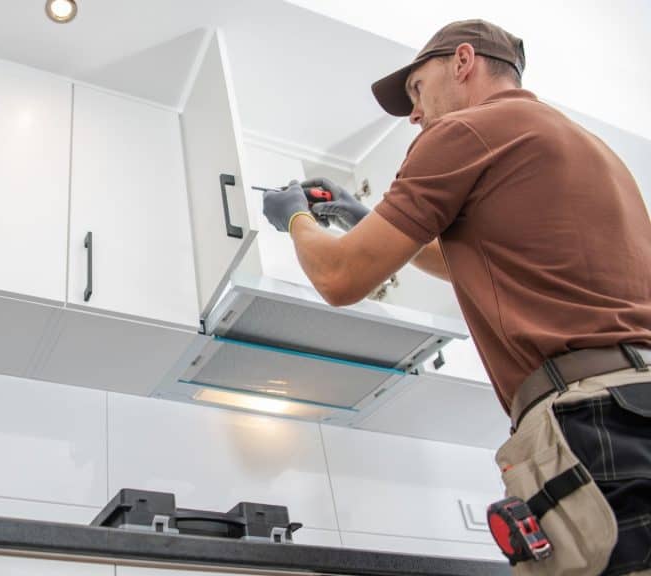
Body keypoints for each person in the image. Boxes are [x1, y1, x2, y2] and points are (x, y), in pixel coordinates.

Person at [261, 19, 651, 575]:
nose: (415, 114)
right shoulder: (592, 150)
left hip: (591, 423)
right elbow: (483, 264)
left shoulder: (465, 132)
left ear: (463, 62)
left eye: (417, 90)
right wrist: (362, 216)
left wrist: (295, 217)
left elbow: (340, 278)